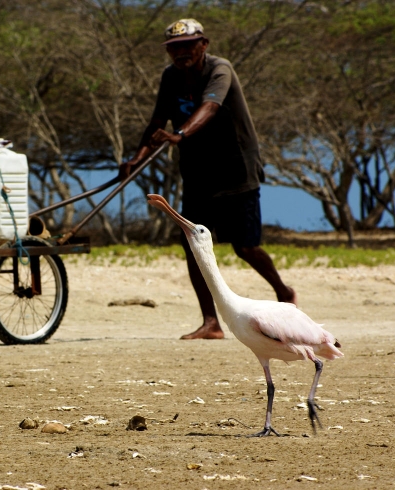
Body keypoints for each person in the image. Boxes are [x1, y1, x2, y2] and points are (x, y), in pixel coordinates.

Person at [120, 18, 296, 340]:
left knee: (245, 247)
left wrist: (180, 134)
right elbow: (157, 120)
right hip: (198, 173)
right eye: (174, 48)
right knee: (194, 245)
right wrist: (137, 158)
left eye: (187, 45)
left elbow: (210, 107)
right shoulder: (171, 77)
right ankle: (211, 323)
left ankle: (284, 292)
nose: (181, 53)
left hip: (236, 168)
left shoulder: (219, 69)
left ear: (203, 44)